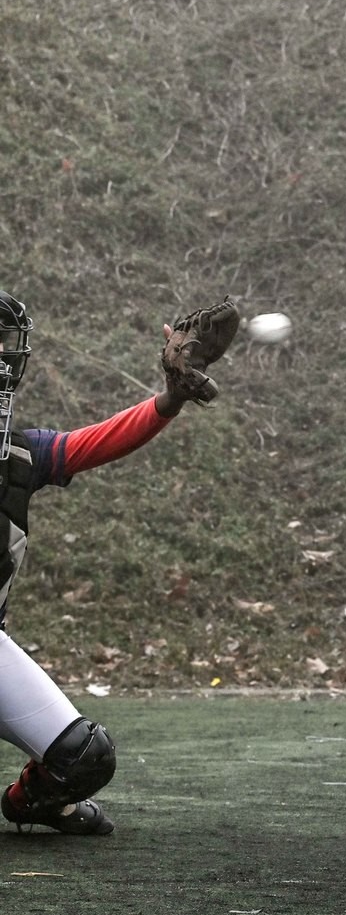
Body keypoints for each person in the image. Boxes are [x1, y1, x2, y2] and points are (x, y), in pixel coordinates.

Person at [0, 292, 219, 834]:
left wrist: (170, 397)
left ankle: (32, 802)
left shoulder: (20, 456)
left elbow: (97, 442)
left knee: (84, 757)